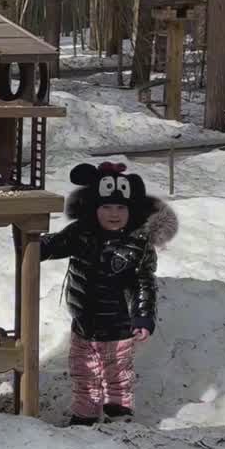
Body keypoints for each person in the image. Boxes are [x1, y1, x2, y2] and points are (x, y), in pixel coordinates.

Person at [41, 161, 178, 426]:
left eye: (120, 207)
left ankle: (119, 414)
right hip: (84, 323)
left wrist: (143, 316)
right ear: (94, 208)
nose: (113, 213)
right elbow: (57, 244)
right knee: (85, 372)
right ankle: (85, 414)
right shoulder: (81, 233)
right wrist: (37, 245)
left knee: (118, 374)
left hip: (120, 326)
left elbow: (144, 284)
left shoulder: (138, 244)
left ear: (131, 210)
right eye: (106, 207)